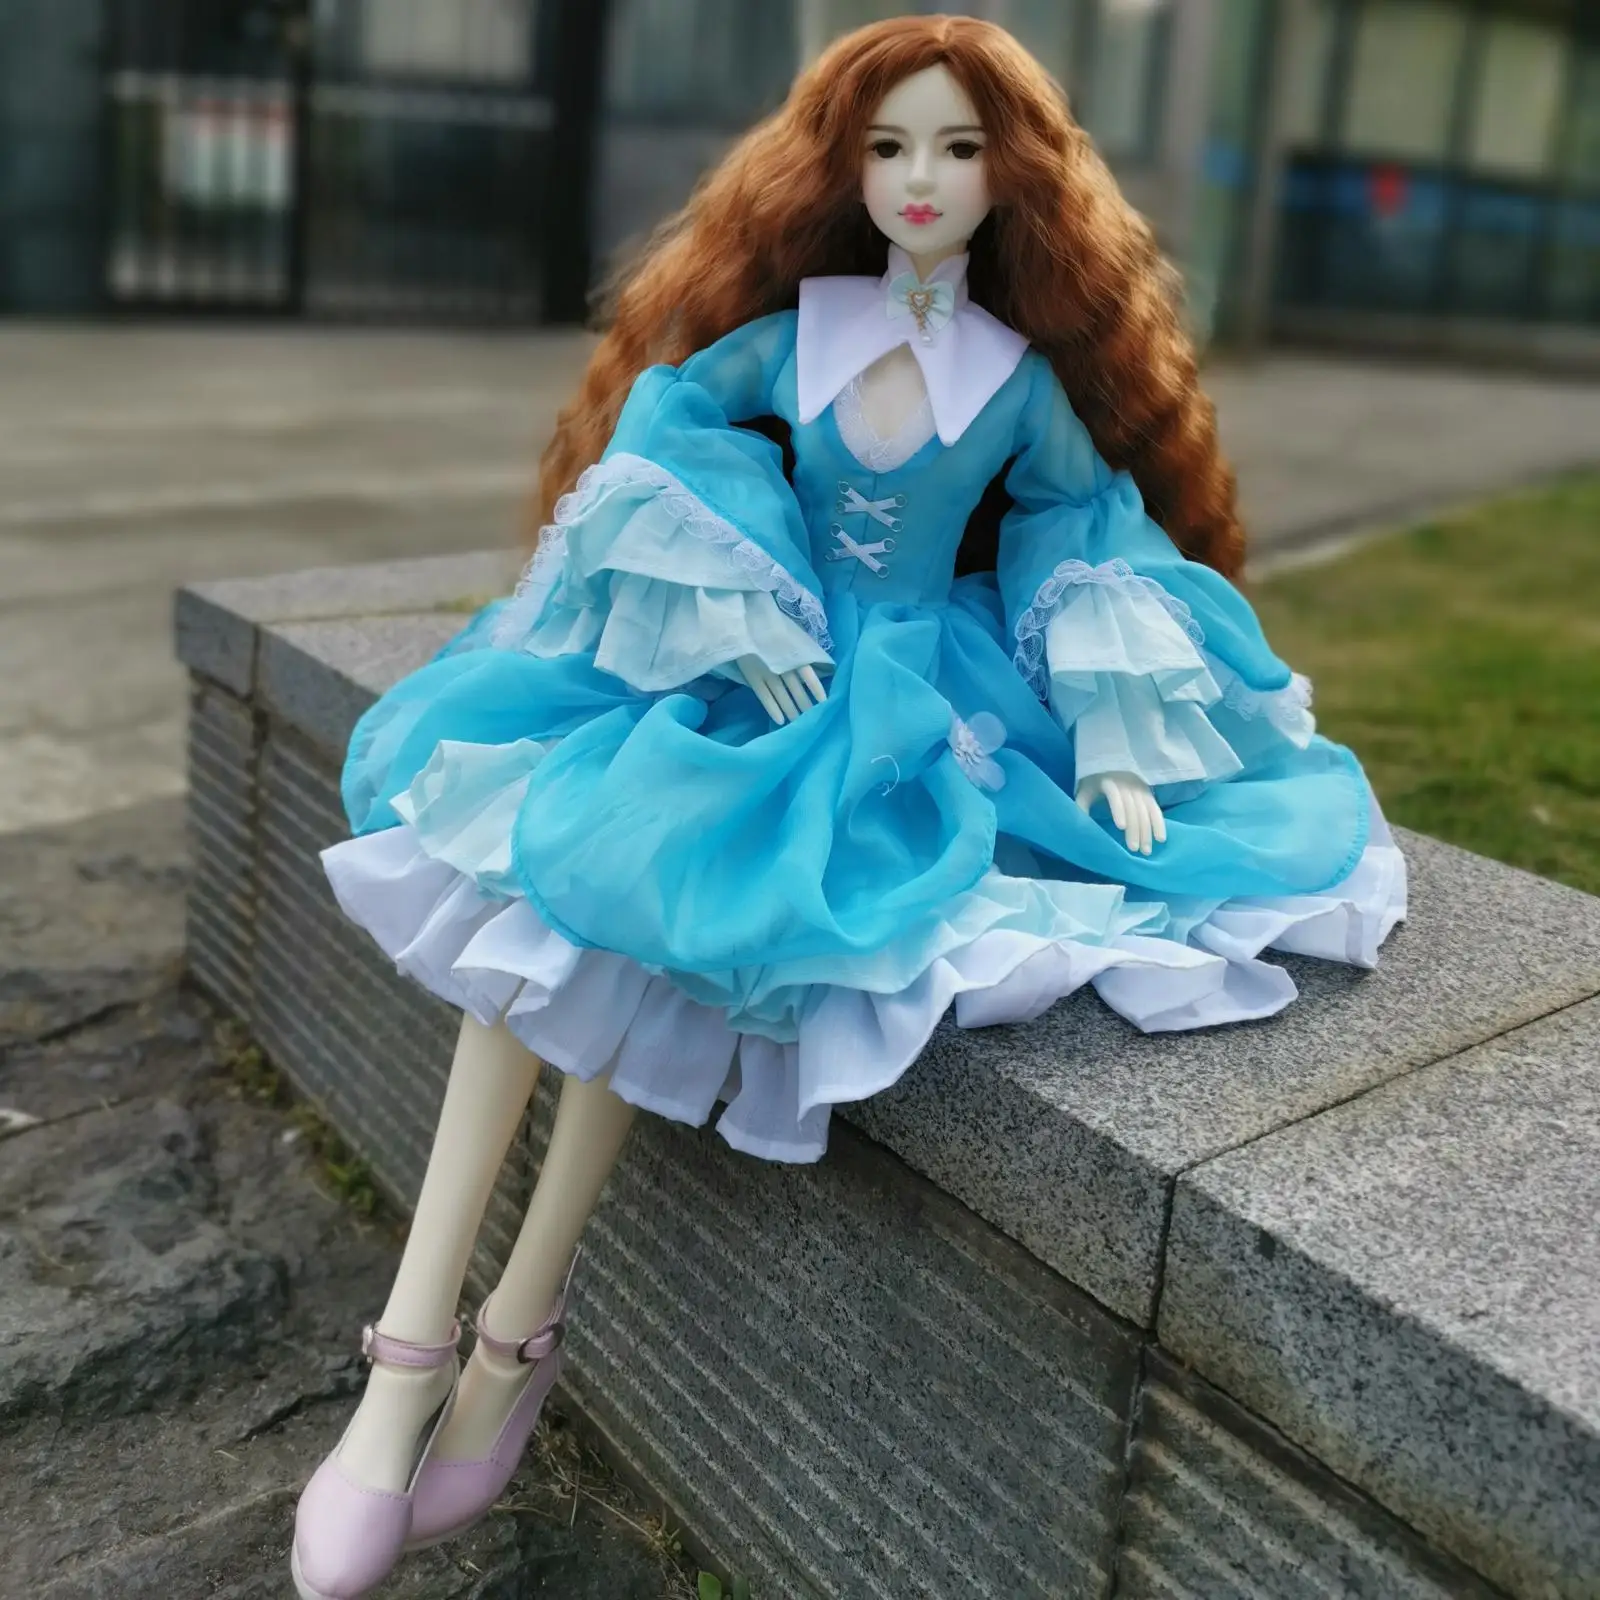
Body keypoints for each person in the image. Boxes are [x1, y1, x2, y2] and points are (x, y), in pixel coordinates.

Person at [290, 16, 1406, 1597]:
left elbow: (1079, 520)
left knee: (661, 909)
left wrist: (1112, 732)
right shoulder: (798, 335)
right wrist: (736, 592)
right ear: (838, 168)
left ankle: (506, 1342)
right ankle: (411, 1357)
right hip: (764, 667)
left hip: (906, 704)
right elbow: (674, 419)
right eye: (887, 147)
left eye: (957, 148)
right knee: (568, 878)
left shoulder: (1014, 379)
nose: (920, 178)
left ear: (1015, 178)